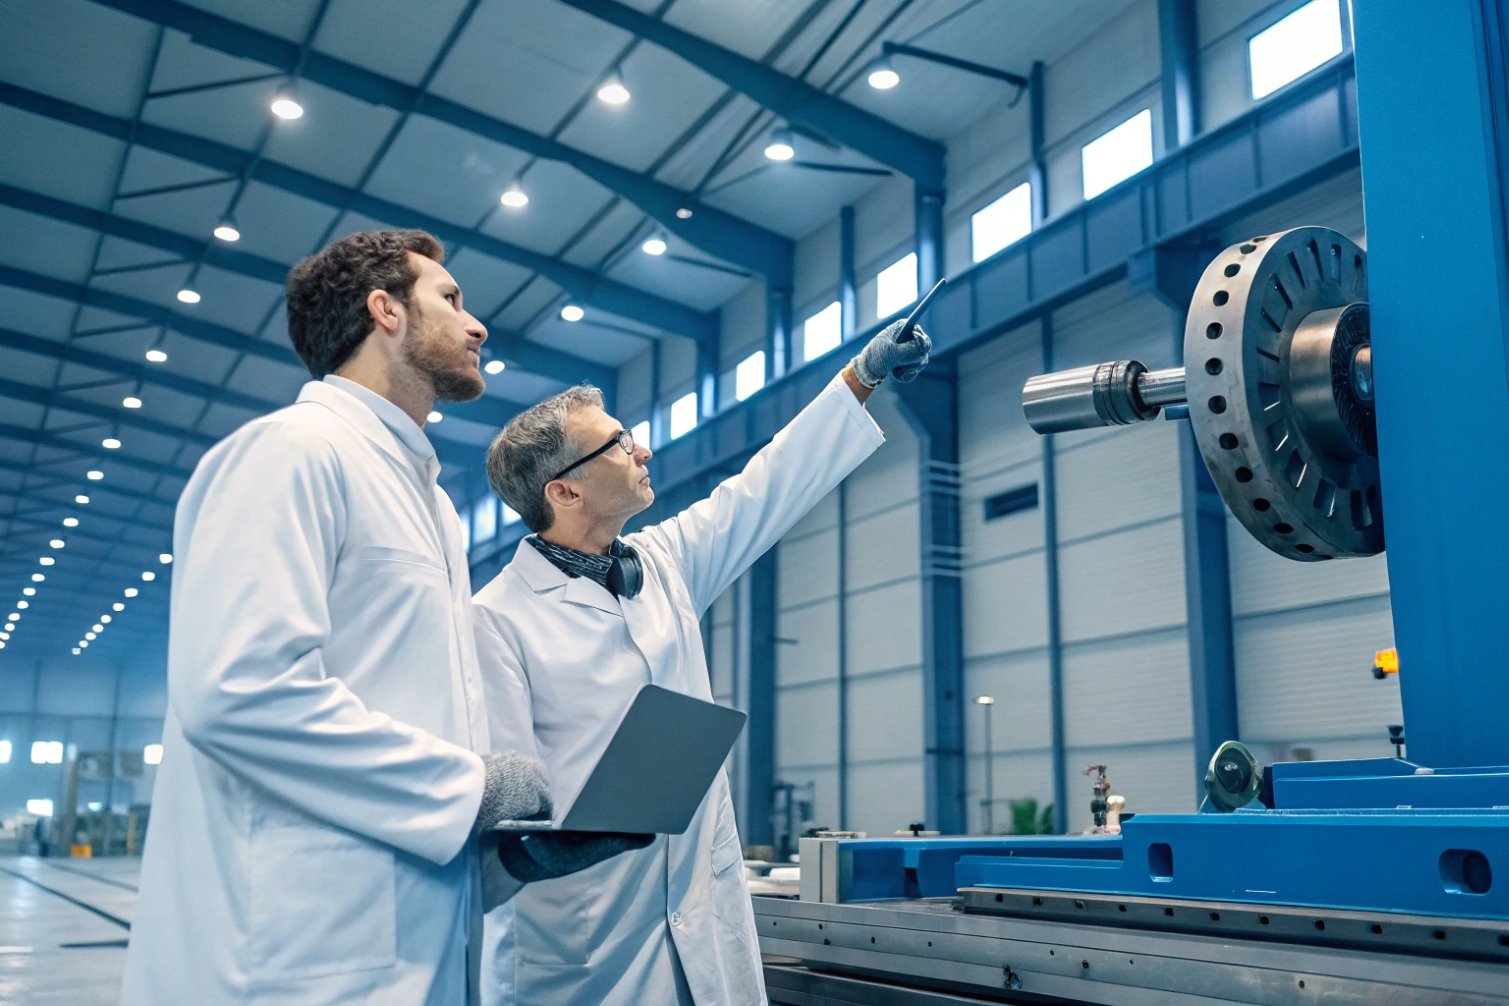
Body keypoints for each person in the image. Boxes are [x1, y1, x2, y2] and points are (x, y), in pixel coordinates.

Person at [120, 229, 623, 1005]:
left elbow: (407, 716)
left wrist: (503, 858)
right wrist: (471, 787)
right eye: (450, 300)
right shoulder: (291, 453)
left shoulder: (427, 499)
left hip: (406, 946)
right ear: (384, 310)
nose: (477, 324)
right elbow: (239, 690)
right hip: (292, 957)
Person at [474, 319, 932, 1003]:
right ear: (563, 492)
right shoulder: (495, 618)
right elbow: (509, 807)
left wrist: (860, 377)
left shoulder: (661, 563)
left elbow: (765, 490)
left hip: (699, 915)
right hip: (582, 943)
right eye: (618, 443)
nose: (644, 449)